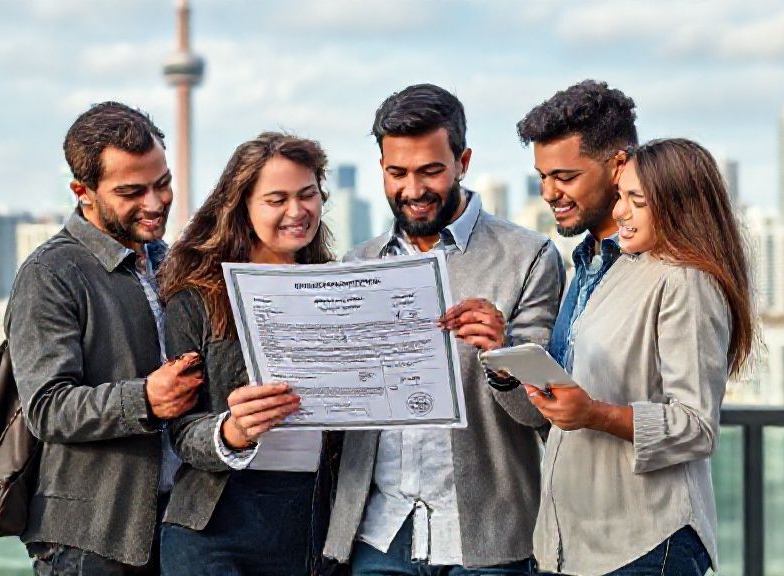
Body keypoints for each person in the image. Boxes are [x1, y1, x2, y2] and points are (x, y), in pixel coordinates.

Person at [324, 83, 565, 575]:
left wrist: (505, 354)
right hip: (378, 534)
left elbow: (543, 416)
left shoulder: (530, 258)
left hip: (487, 538)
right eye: (397, 173)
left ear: (462, 160)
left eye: (431, 170)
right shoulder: (358, 263)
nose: (413, 190)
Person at [524, 138, 755, 575]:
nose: (619, 212)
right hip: (575, 543)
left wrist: (593, 413)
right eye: (621, 196)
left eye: (637, 201)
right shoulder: (611, 272)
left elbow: (697, 426)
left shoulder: (686, 282)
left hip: (646, 545)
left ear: (678, 207)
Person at [6, 101, 202, 575]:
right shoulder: (50, 274)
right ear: (83, 191)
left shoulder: (169, 261)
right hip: (91, 541)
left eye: (162, 183)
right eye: (132, 191)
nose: (155, 203)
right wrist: (147, 399)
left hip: (179, 526)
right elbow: (47, 408)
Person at [157, 132, 340, 576]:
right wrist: (232, 431)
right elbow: (180, 431)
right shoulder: (198, 298)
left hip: (313, 527)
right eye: (276, 199)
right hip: (213, 527)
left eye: (307, 195)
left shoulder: (341, 289)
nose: (297, 212)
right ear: (242, 206)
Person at [516, 80, 638, 373]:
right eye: (542, 177)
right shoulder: (583, 263)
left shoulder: (666, 272)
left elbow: (692, 417)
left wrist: (595, 414)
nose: (548, 193)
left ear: (618, 166)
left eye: (565, 177)